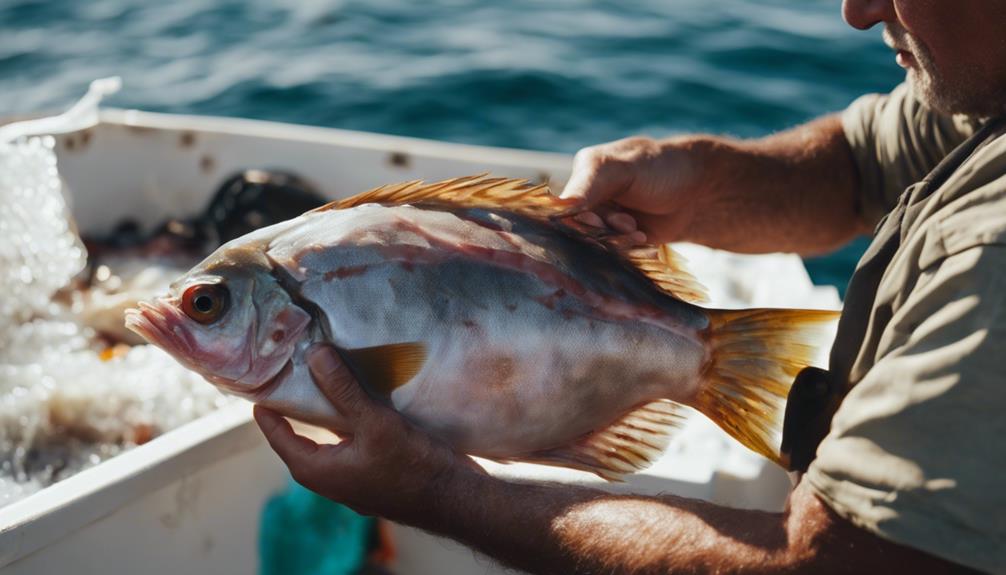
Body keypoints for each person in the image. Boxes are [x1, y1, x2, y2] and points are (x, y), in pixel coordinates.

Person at [253, 1, 1004, 572]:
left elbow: (826, 563)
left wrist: (442, 492)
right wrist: (702, 182)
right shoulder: (986, 72)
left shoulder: (990, 257)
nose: (857, 10)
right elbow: (864, 162)